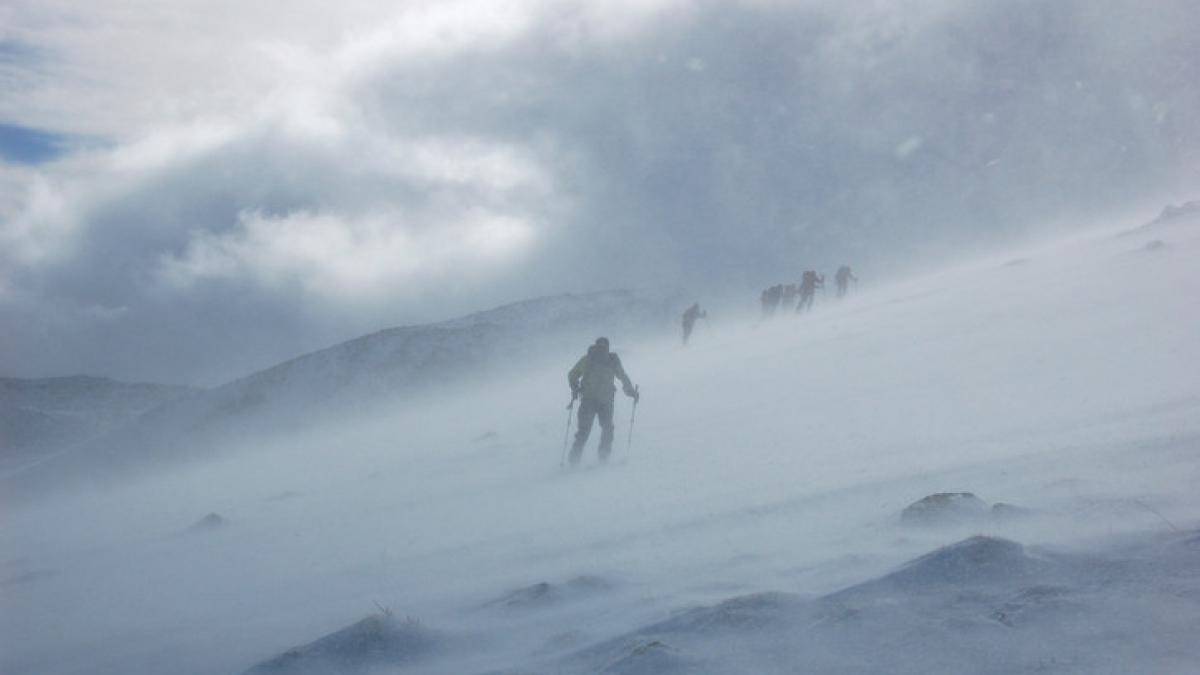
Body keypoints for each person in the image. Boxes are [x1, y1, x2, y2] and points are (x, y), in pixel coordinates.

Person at [567, 337, 638, 465]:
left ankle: (579, 460)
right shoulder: (606, 360)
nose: (602, 350)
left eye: (603, 348)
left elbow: (572, 374)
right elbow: (623, 377)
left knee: (589, 431)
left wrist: (575, 386)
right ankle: (601, 457)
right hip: (600, 401)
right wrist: (631, 392)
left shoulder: (593, 359)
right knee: (604, 429)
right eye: (601, 348)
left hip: (594, 401)